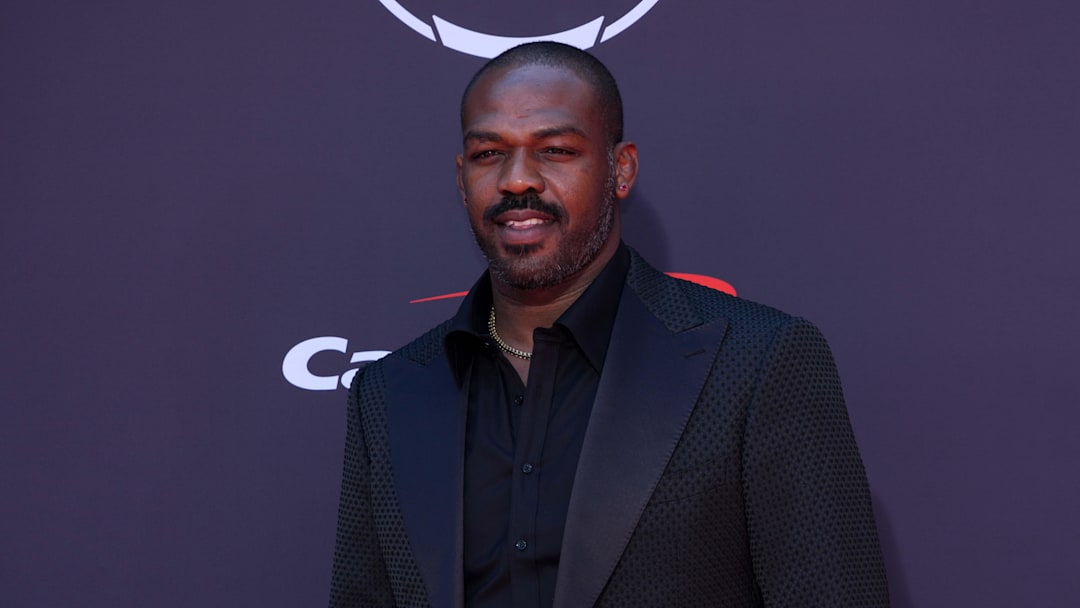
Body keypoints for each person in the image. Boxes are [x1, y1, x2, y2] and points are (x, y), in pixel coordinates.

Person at [329, 42, 889, 608]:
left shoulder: (757, 361)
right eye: (488, 154)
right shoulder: (391, 392)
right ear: (461, 178)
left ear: (620, 170)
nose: (517, 180)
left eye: (555, 151)